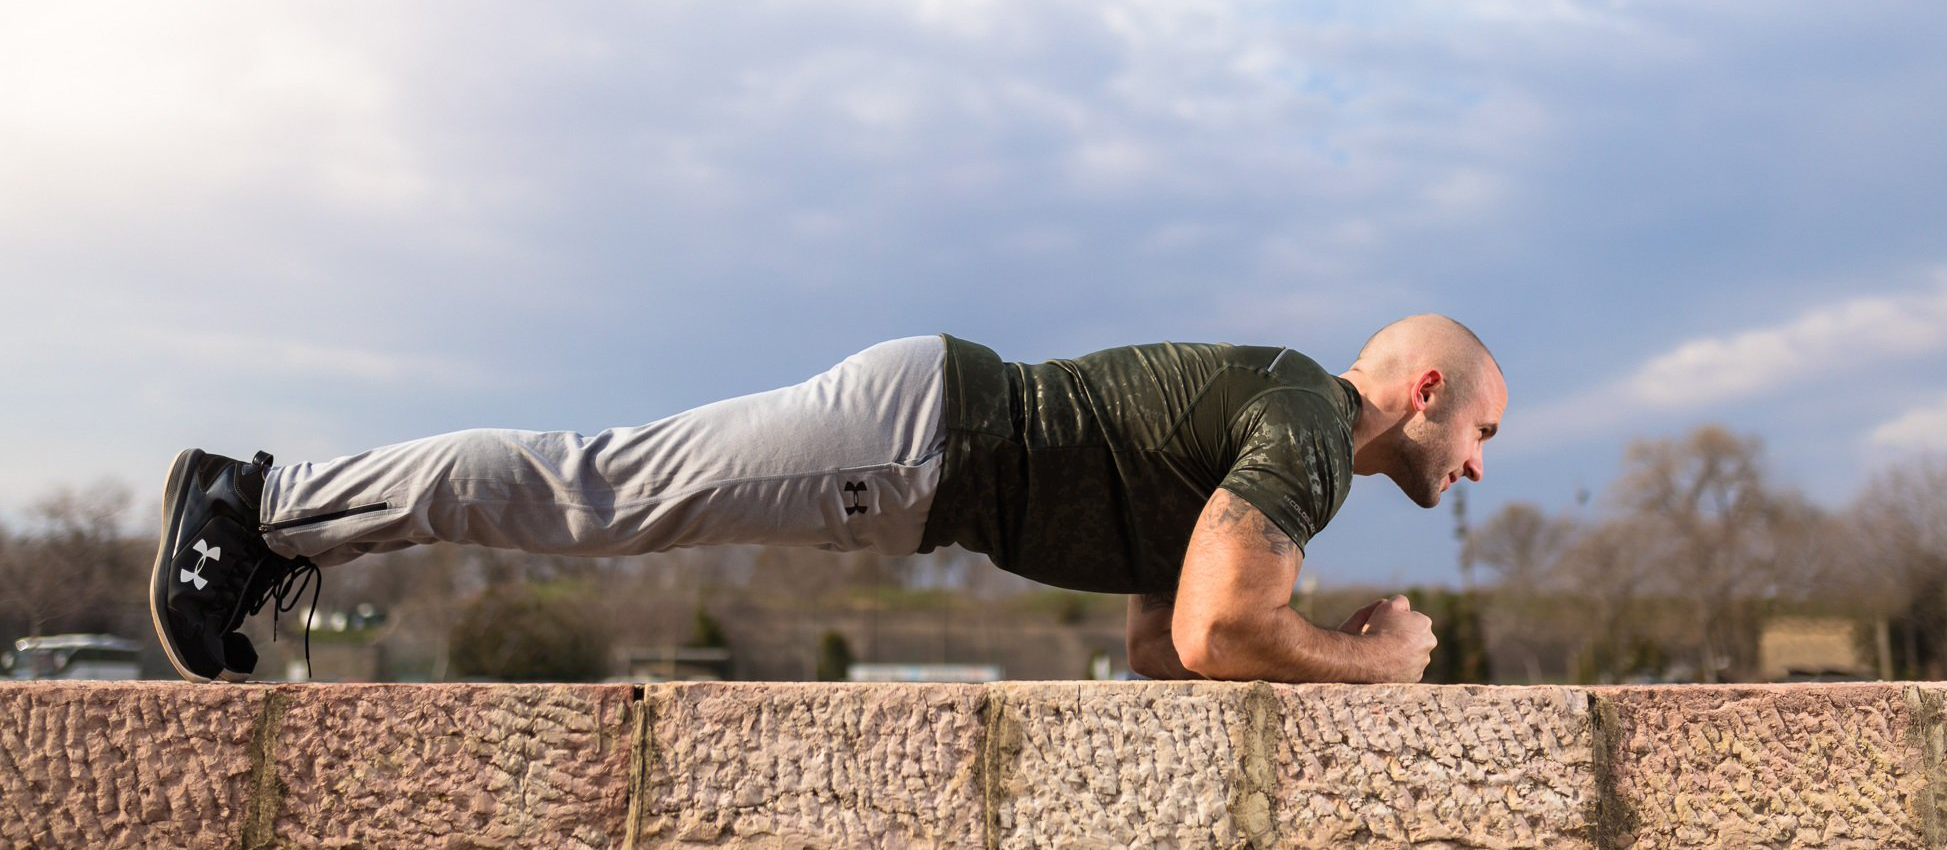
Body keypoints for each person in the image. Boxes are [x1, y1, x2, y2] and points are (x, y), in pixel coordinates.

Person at [148, 314, 1505, 685]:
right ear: (1426, 386)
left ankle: (269, 507)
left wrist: (1293, 632)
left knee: (601, 488)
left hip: (924, 440)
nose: (1483, 464)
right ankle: (260, 504)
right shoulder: (1314, 430)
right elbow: (1219, 633)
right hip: (921, 441)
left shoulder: (1279, 430)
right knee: (598, 490)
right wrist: (1373, 659)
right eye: (1486, 430)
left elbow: (1164, 640)